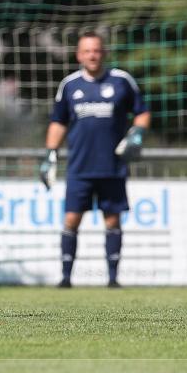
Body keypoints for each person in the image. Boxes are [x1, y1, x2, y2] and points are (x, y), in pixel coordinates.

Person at [40, 31, 150, 288]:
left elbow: (142, 113)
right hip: (79, 166)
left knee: (112, 219)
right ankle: (66, 279)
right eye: (87, 51)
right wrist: (49, 154)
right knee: (71, 219)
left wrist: (137, 134)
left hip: (112, 166)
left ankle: (113, 280)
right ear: (79, 55)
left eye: (97, 50)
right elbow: (58, 122)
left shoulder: (122, 81)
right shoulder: (70, 85)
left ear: (104, 52)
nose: (92, 55)